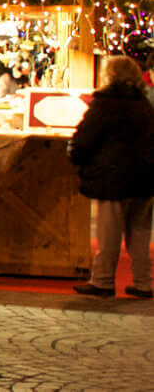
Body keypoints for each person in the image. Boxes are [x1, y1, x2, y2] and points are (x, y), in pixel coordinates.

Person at [67, 52, 154, 298]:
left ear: (110, 75)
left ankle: (103, 281)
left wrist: (76, 157)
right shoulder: (144, 104)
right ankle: (144, 282)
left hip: (112, 179)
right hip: (144, 179)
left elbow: (85, 138)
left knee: (109, 233)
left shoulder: (105, 103)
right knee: (140, 232)